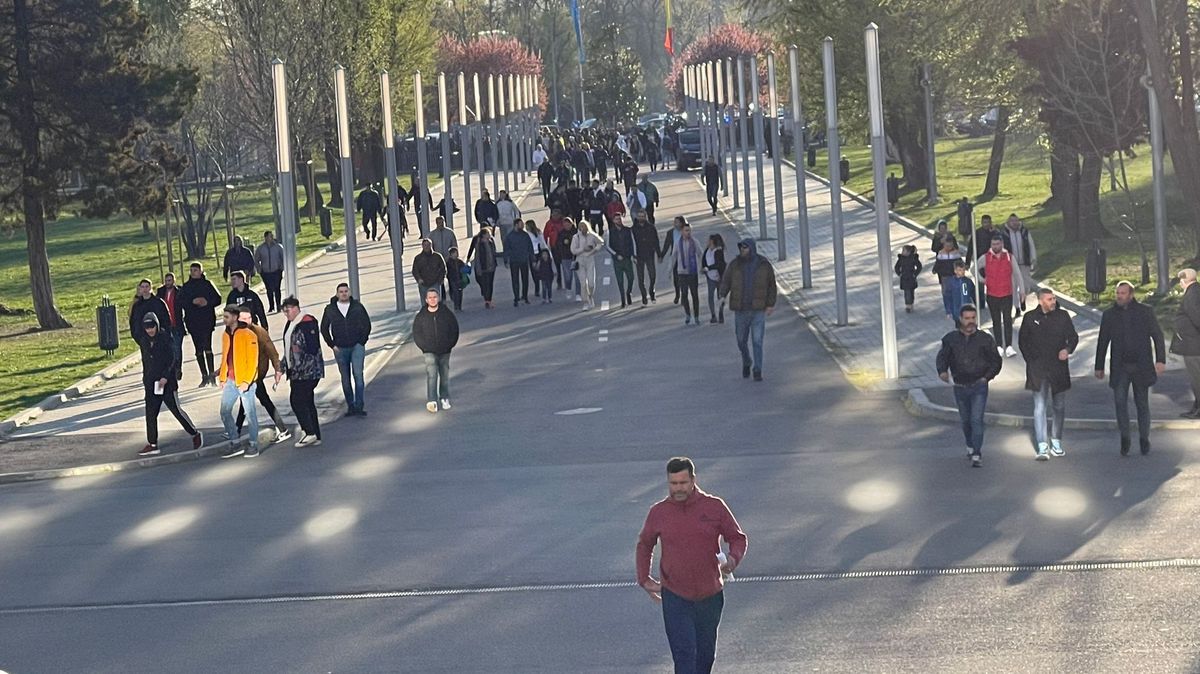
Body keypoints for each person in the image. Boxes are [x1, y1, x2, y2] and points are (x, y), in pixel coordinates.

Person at [636, 457, 747, 674]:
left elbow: (737, 538)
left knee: (705, 656)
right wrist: (644, 579)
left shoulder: (714, 507)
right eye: (673, 483)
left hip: (710, 595)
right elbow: (644, 544)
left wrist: (733, 559)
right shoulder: (658, 512)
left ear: (694, 479)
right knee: (685, 654)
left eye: (683, 483)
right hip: (675, 595)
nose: (678, 488)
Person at [1095, 281, 1167, 456]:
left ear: (1131, 294)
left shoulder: (1145, 312)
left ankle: (1144, 438)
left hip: (1141, 366)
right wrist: (1099, 366)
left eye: (1123, 293)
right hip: (1120, 367)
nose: (1119, 296)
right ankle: (1125, 438)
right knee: (1120, 402)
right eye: (1118, 293)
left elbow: (1157, 336)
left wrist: (1160, 360)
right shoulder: (1110, 315)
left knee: (1142, 403)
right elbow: (1103, 341)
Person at [936, 304, 1003, 467]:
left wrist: (986, 378)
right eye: (967, 318)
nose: (970, 321)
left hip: (979, 385)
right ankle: (970, 444)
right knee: (965, 420)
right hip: (960, 385)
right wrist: (942, 371)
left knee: (976, 419)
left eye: (973, 318)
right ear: (960, 319)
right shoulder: (951, 339)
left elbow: (996, 361)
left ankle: (977, 453)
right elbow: (942, 357)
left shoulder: (985, 339)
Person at [1019, 289, 1079, 460]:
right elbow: (1023, 342)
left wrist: (1067, 350)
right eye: (1049, 299)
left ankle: (1057, 440)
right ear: (1040, 301)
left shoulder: (1063, 316)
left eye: (1053, 299)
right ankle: (1042, 445)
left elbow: (1073, 337)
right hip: (1038, 369)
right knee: (1039, 407)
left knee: (1059, 406)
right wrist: (1031, 360)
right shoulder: (1030, 318)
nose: (1053, 301)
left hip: (1058, 368)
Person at [137, 313, 202, 457]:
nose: (150, 330)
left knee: (176, 410)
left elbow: (172, 358)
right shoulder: (144, 341)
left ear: (157, 325)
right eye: (147, 327)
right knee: (150, 413)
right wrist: (146, 379)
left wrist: (166, 376)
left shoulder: (165, 338)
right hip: (151, 382)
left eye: (152, 326)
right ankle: (152, 443)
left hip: (166, 382)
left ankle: (194, 433)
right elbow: (146, 361)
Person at [718, 239, 778, 381]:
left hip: (758, 309)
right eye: (741, 248)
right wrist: (722, 295)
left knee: (757, 341)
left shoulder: (763, 265)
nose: (742, 250)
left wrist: (770, 304)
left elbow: (772, 285)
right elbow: (726, 281)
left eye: (745, 248)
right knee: (740, 340)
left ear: (751, 248)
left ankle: (758, 369)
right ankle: (747, 360)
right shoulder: (735, 264)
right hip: (741, 309)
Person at [233, 309, 291, 445]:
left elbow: (272, 351)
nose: (246, 321)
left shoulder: (259, 332)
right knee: (246, 402)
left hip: (255, 374)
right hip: (245, 374)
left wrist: (278, 370)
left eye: (249, 318)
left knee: (261, 400)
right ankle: (236, 430)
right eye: (243, 318)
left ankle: (282, 429)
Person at [320, 282, 373, 417]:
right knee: (345, 378)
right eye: (341, 291)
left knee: (358, 376)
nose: (343, 294)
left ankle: (359, 405)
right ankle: (350, 405)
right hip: (340, 348)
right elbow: (324, 328)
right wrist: (332, 345)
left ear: (349, 293)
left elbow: (367, 324)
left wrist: (362, 342)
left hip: (356, 346)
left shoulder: (357, 307)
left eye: (345, 291)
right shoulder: (330, 309)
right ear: (337, 294)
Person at [218, 305, 261, 459]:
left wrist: (246, 381)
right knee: (224, 412)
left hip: (245, 382)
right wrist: (222, 377)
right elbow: (225, 357)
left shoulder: (248, 334)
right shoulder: (225, 335)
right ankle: (235, 441)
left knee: (250, 414)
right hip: (230, 381)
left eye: (226, 317)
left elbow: (253, 360)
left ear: (235, 317)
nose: (224, 320)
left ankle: (254, 444)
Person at [281, 296, 324, 447]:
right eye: (285, 311)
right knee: (307, 400)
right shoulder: (291, 323)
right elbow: (288, 349)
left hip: (307, 371)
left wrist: (300, 355)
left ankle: (309, 432)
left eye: (288, 310)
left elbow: (312, 347)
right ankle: (315, 434)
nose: (287, 314)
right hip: (295, 371)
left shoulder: (307, 322)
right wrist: (283, 365)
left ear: (296, 308)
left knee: (297, 400)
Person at [412, 288, 460, 414]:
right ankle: (432, 399)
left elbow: (454, 329)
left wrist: (450, 344)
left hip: (445, 350)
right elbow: (417, 333)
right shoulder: (421, 316)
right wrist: (424, 347)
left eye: (435, 297)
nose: (433, 299)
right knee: (432, 374)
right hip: (429, 351)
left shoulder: (446, 314)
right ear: (426, 300)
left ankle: (444, 397)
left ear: (438, 298)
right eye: (430, 297)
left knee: (444, 374)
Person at [180, 263, 222, 387]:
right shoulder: (186, 287)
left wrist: (207, 302)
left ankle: (212, 375)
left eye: (196, 270)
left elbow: (218, 299)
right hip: (193, 321)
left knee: (208, 348)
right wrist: (192, 302)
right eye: (192, 270)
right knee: (198, 350)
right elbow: (181, 301)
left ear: (201, 271)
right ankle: (204, 376)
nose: (193, 272)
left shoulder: (208, 284)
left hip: (206, 320)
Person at [976, 234, 1018, 356]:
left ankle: (1009, 345)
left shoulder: (1009, 257)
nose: (996, 246)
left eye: (998, 244)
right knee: (996, 320)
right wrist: (983, 280)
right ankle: (999, 345)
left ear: (1002, 244)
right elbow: (974, 269)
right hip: (992, 294)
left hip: (1007, 293)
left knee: (1007, 319)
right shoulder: (985, 258)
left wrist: (1021, 291)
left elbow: (1017, 273)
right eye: (993, 244)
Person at [1172, 268, 1200, 418]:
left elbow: (1197, 317)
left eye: (1180, 281)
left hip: (1193, 345)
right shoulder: (1196, 291)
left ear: (1184, 281)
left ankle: (1198, 410)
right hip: (1194, 343)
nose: (1180, 284)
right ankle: (1196, 407)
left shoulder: (1191, 295)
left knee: (1197, 379)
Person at [1002, 214, 1037, 314]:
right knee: (1013, 287)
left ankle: (1023, 299)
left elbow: (1031, 244)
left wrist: (1033, 258)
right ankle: (1017, 307)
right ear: (1008, 222)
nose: (1014, 223)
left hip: (1024, 264)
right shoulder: (1004, 234)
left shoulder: (1024, 232)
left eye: (1016, 220)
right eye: (1012, 221)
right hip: (1011, 265)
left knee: (1026, 286)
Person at [154, 273, 186, 380]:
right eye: (166, 280)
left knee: (177, 348)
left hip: (177, 324)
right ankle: (170, 369)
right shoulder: (160, 292)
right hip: (166, 325)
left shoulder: (179, 291)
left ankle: (178, 368)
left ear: (174, 281)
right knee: (169, 348)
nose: (168, 283)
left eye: (170, 280)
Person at [673, 222, 703, 325]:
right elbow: (674, 256)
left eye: (689, 230)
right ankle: (687, 314)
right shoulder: (677, 243)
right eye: (686, 230)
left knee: (695, 294)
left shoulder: (694, 242)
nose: (688, 232)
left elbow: (700, 254)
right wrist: (670, 269)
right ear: (681, 232)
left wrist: (702, 266)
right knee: (684, 294)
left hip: (692, 272)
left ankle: (696, 316)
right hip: (681, 272)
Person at [571, 221, 604, 310]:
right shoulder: (576, 237)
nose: (583, 228)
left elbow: (601, 242)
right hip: (580, 260)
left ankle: (590, 296)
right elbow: (573, 250)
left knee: (591, 282)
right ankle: (585, 301)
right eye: (581, 227)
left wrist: (594, 250)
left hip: (590, 260)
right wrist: (582, 249)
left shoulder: (592, 235)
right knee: (583, 283)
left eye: (584, 226)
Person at [129, 278, 171, 348]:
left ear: (150, 288)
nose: (145, 289)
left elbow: (167, 320)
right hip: (144, 340)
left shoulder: (159, 303)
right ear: (140, 289)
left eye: (147, 286)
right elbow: (133, 322)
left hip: (160, 340)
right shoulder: (137, 306)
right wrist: (138, 337)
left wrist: (164, 335)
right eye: (142, 287)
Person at [631, 211, 661, 305]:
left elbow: (656, 241)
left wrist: (659, 254)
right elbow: (631, 244)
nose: (641, 218)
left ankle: (652, 291)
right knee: (641, 278)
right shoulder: (633, 229)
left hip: (649, 254)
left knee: (652, 275)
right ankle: (644, 296)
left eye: (643, 216)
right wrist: (633, 255)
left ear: (646, 217)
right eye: (639, 216)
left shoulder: (651, 227)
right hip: (639, 256)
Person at [607, 215, 637, 308]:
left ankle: (629, 292)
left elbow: (633, 243)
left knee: (631, 278)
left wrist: (634, 255)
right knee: (620, 281)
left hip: (627, 258)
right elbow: (608, 246)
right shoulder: (611, 232)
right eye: (616, 219)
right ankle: (623, 299)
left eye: (619, 219)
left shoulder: (628, 230)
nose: (618, 220)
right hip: (617, 260)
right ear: (613, 220)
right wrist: (615, 255)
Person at [505, 219, 535, 306]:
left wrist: (532, 258)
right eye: (520, 224)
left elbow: (530, 247)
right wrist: (506, 260)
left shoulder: (525, 235)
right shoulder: (510, 236)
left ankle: (525, 296)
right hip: (514, 261)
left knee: (525, 279)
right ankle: (516, 297)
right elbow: (506, 248)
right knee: (515, 280)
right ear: (516, 225)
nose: (522, 226)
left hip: (524, 260)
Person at [467, 227, 499, 309]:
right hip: (484, 267)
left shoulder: (491, 242)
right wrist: (477, 267)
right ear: (484, 235)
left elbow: (494, 252)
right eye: (488, 234)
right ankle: (487, 300)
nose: (489, 235)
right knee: (485, 284)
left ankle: (489, 300)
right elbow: (477, 257)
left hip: (492, 266)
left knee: (490, 283)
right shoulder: (479, 244)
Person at [254, 231, 285, 313]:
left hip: (276, 271)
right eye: (268, 236)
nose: (270, 238)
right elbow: (256, 259)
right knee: (269, 289)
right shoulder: (261, 248)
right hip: (266, 272)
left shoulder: (278, 247)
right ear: (265, 238)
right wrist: (259, 269)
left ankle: (278, 305)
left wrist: (282, 267)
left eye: (271, 236)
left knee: (277, 288)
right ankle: (271, 306)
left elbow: (283, 257)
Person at [942, 262, 975, 329]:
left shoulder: (968, 281)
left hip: (967, 310)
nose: (962, 272)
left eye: (963, 270)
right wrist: (948, 311)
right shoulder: (951, 282)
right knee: (960, 328)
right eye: (960, 270)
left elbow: (973, 293)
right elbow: (947, 297)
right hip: (956, 311)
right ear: (955, 271)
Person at [660, 217, 686, 304]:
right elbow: (666, 245)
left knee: (683, 277)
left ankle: (683, 295)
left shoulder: (685, 231)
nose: (675, 224)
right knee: (676, 278)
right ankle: (677, 294)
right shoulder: (670, 233)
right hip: (675, 257)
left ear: (681, 223)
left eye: (677, 222)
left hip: (684, 257)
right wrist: (662, 255)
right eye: (674, 222)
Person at [702, 234, 727, 324]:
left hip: (719, 277)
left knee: (720, 296)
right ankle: (713, 315)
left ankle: (721, 312)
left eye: (709, 240)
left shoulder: (718, 251)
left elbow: (719, 264)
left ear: (713, 241)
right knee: (710, 296)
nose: (708, 242)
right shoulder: (707, 251)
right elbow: (703, 262)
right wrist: (704, 269)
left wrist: (708, 268)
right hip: (710, 277)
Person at [893, 245, 922, 314]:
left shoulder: (913, 258)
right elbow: (897, 267)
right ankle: (908, 305)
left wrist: (915, 274)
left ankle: (911, 302)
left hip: (911, 277)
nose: (902, 252)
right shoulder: (901, 259)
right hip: (904, 278)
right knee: (907, 291)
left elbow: (919, 266)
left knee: (911, 291)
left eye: (904, 250)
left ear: (908, 252)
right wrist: (899, 273)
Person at [556, 217, 579, 300]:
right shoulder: (561, 234)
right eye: (565, 224)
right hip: (566, 258)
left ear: (571, 224)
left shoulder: (576, 232)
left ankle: (578, 293)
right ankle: (568, 289)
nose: (567, 226)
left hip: (576, 257)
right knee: (568, 276)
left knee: (577, 277)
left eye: (568, 224)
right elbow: (558, 245)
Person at [445, 247, 467, 311]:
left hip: (460, 279)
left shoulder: (460, 262)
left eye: (456, 253)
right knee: (455, 292)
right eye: (454, 253)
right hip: (452, 279)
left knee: (460, 292)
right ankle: (456, 306)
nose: (455, 254)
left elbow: (464, 269)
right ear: (451, 254)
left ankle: (459, 306)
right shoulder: (448, 262)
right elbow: (446, 270)